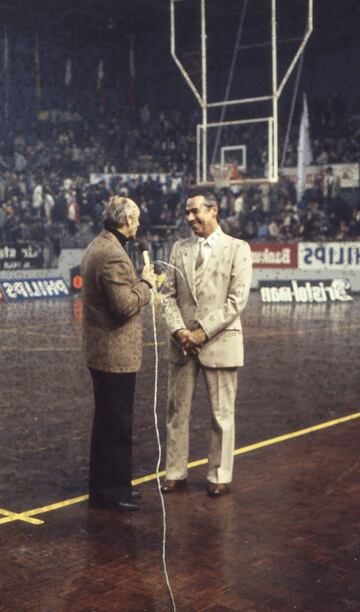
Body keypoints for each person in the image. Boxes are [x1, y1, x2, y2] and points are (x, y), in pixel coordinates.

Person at [161, 188, 252, 497]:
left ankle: (219, 475)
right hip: (182, 345)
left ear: (214, 211)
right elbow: (167, 297)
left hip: (220, 343)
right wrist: (179, 332)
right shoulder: (179, 249)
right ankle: (175, 472)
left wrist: (201, 332)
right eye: (187, 212)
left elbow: (237, 301)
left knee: (221, 414)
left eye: (195, 211)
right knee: (177, 412)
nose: (189, 218)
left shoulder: (238, 248)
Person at [81, 195, 155, 511]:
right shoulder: (111, 254)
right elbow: (124, 306)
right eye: (135, 219)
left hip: (106, 353)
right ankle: (109, 493)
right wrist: (146, 284)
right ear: (126, 221)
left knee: (112, 423)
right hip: (114, 355)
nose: (138, 224)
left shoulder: (101, 245)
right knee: (116, 425)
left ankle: (117, 486)